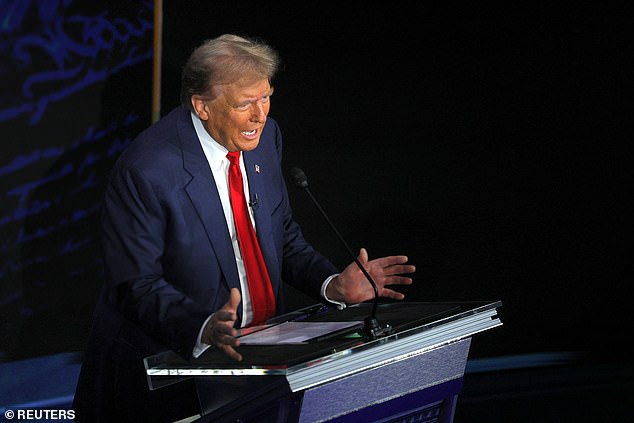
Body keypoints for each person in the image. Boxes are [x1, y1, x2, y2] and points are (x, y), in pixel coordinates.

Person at [73, 34, 415, 422]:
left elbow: (280, 235)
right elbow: (134, 283)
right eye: (244, 104)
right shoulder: (147, 169)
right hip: (174, 382)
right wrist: (202, 326)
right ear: (202, 106)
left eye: (266, 97)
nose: (260, 115)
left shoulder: (266, 138)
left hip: (261, 370)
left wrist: (331, 283)